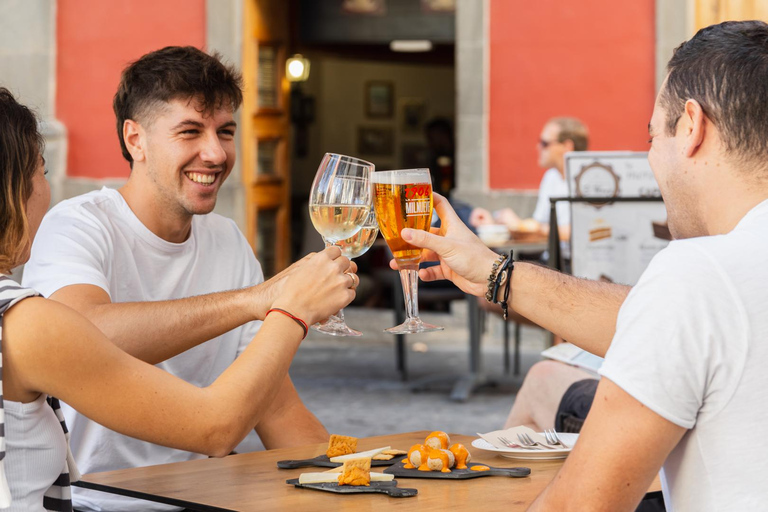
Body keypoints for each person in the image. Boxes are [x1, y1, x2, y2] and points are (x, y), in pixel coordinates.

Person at [393, 20, 768, 510]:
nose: (651, 158)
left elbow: (577, 505)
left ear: (692, 127)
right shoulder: (717, 280)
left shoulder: (697, 274)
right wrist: (494, 273)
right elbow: (661, 322)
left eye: (652, 135)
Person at [0, 87, 356, 511]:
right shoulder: (28, 317)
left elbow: (275, 406)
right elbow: (215, 428)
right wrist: (286, 305)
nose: (216, 154)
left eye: (225, 132)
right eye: (41, 172)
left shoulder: (227, 240)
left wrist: (361, 473)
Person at [470, 116, 589, 243]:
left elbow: (585, 230)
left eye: (544, 143)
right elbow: (539, 225)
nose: (538, 147)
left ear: (567, 146)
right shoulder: (551, 176)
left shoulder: (589, 179)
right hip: (551, 258)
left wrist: (519, 225)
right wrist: (495, 224)